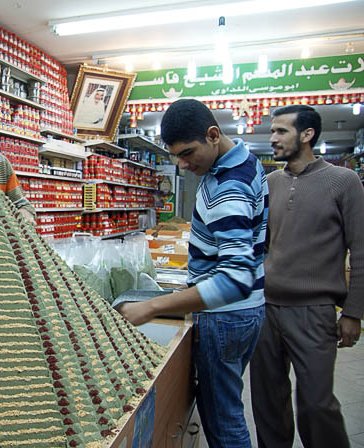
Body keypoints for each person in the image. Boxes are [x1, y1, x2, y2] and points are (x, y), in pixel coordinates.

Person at [120, 98, 268, 448]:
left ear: (213, 135)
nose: (184, 165)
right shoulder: (244, 162)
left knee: (224, 420)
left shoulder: (228, 187)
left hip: (226, 317)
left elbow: (235, 278)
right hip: (245, 313)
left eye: (188, 153)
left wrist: (154, 306)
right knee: (223, 407)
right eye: (176, 157)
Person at [250, 105, 364, 448]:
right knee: (268, 401)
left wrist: (352, 313)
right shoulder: (269, 182)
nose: (272, 138)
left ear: (307, 135)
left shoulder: (343, 181)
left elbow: (361, 252)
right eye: (272, 131)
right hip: (267, 308)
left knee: (317, 404)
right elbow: (261, 245)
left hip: (314, 310)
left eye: (281, 131)